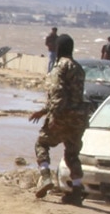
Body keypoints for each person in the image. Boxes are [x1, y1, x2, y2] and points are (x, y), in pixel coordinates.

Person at [28, 33, 88, 203]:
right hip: (79, 118)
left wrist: (46, 112)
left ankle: (46, 177)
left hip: (63, 115)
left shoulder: (59, 67)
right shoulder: (79, 68)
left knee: (42, 143)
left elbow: (58, 94)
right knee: (72, 153)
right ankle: (76, 189)